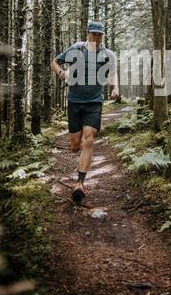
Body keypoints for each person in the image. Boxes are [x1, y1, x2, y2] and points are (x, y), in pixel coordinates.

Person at [50, 21, 119, 201]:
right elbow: (55, 62)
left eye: (99, 35)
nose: (96, 37)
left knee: (89, 140)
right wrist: (62, 73)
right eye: (93, 34)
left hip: (94, 102)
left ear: (102, 36)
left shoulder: (108, 55)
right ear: (87, 33)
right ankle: (79, 151)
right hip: (74, 101)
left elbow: (113, 73)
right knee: (75, 144)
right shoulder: (76, 49)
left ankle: (80, 183)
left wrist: (114, 88)